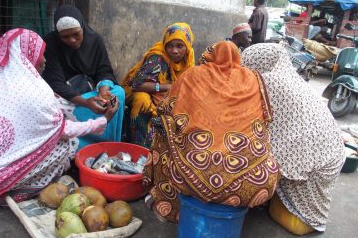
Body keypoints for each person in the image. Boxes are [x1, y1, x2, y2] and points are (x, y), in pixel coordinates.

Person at [0, 28, 118, 204]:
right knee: (65, 145)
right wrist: (103, 120)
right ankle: (17, 189)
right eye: (41, 54)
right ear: (27, 57)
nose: (45, 60)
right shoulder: (35, 93)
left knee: (61, 111)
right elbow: (64, 129)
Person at [143, 41, 280, 222]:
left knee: (163, 128)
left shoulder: (193, 74)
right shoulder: (253, 78)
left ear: (210, 56)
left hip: (190, 179)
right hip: (256, 183)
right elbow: (266, 120)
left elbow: (166, 107)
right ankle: (238, 207)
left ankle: (169, 206)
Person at [242, 43, 345, 234]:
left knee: (248, 154)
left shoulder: (267, 81)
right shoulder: (289, 77)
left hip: (314, 162)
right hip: (331, 154)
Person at [42, 5, 124, 149]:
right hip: (66, 95)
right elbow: (55, 83)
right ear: (58, 34)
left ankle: (107, 144)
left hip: (90, 90)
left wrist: (103, 89)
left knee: (118, 94)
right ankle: (79, 146)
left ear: (83, 28)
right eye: (65, 37)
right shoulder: (51, 43)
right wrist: (86, 102)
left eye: (76, 34)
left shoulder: (95, 40)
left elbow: (104, 69)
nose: (71, 40)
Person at [122, 22, 195, 147]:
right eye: (170, 46)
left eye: (180, 46)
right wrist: (165, 87)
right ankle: (139, 145)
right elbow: (137, 84)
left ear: (187, 46)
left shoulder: (189, 60)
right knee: (142, 100)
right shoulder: (158, 58)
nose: (174, 51)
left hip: (164, 96)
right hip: (140, 91)